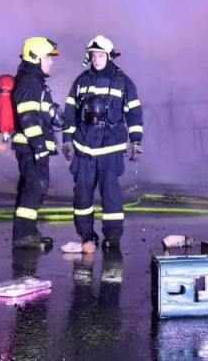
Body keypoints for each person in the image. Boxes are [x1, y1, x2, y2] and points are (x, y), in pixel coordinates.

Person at [62, 35, 143, 252]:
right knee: (82, 194)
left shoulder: (123, 82)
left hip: (111, 148)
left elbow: (134, 113)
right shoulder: (81, 81)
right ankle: (86, 235)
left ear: (109, 56)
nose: (96, 60)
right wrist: (67, 140)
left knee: (111, 196)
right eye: (93, 56)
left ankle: (112, 237)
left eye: (100, 55)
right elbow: (70, 112)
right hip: (84, 148)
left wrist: (136, 141)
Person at [11, 37, 62, 250]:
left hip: (33, 147)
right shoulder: (29, 82)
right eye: (48, 57)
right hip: (30, 147)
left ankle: (29, 231)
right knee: (33, 188)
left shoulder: (34, 82)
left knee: (35, 188)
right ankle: (23, 235)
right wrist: (39, 147)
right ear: (36, 57)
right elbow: (28, 116)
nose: (51, 62)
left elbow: (40, 113)